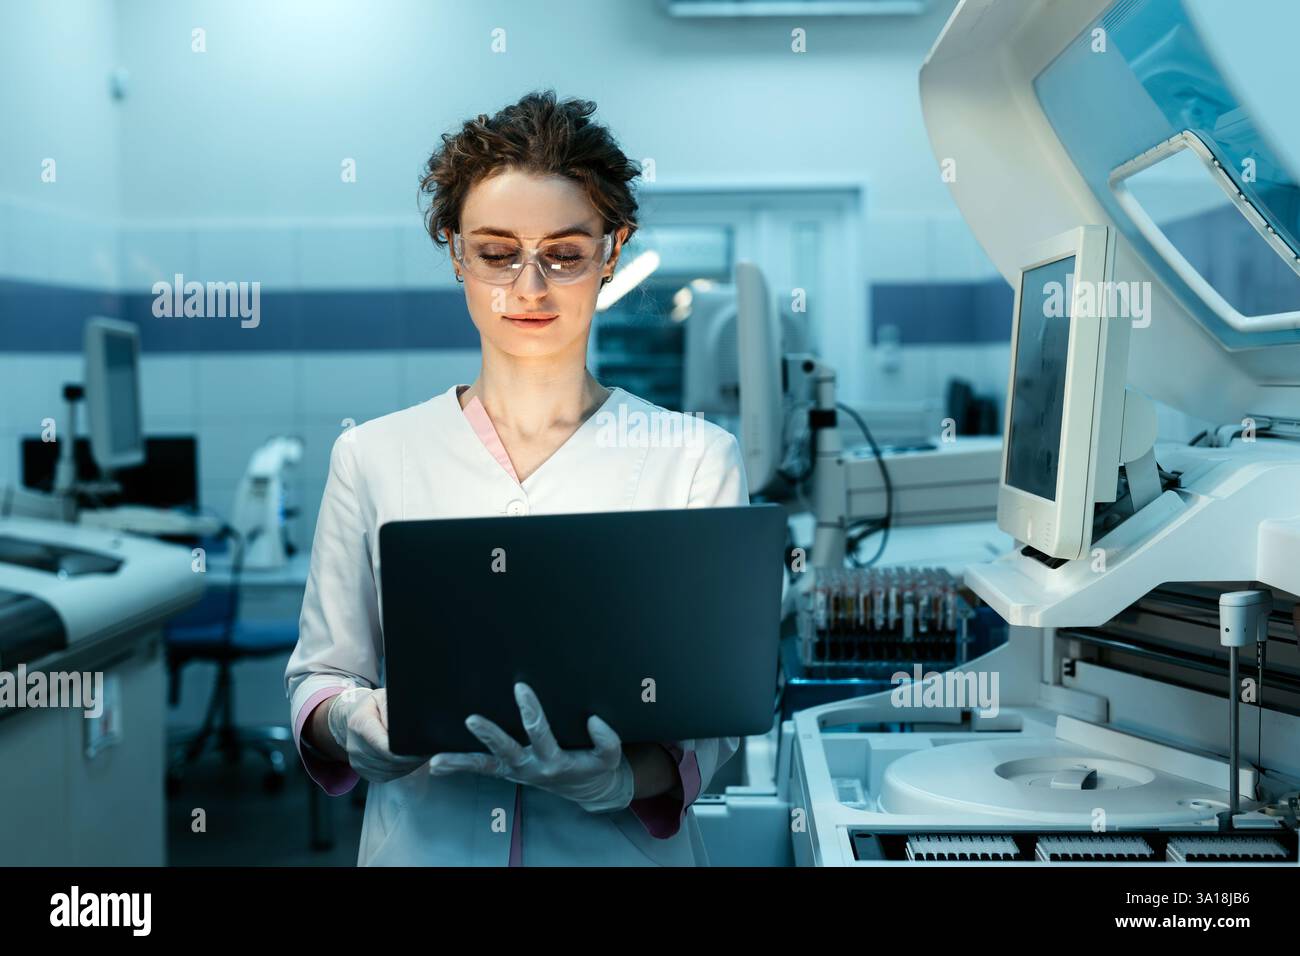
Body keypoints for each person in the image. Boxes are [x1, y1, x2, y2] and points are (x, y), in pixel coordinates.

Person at [284, 90, 748, 865]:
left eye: (564, 254)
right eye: (497, 253)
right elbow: (321, 677)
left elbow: (714, 714)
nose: (529, 289)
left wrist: (618, 780)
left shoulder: (692, 457)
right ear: (457, 253)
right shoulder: (372, 456)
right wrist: (354, 727)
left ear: (612, 252)